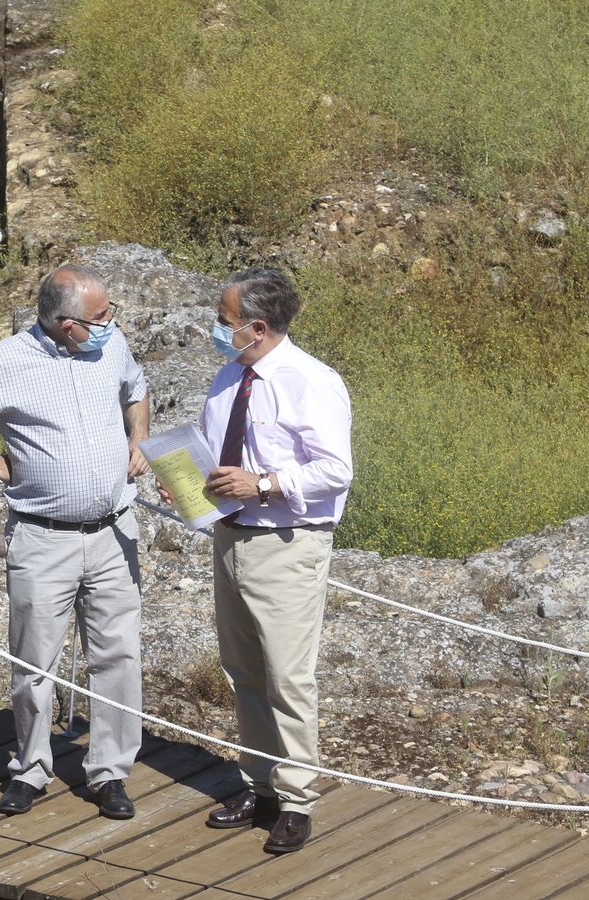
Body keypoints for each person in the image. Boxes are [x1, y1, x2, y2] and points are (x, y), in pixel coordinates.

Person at [0, 264, 151, 820]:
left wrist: (139, 439)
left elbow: (136, 387)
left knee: (118, 656)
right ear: (66, 323)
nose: (111, 322)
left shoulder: (111, 343)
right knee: (34, 663)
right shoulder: (4, 362)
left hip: (115, 532)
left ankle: (110, 773)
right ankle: (30, 769)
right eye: (100, 316)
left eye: (110, 312)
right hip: (43, 540)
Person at [160, 268, 351, 854]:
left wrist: (263, 483)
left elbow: (335, 470)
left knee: (288, 678)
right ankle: (259, 783)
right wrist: (184, 480)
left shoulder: (310, 382)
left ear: (257, 327)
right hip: (229, 538)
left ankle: (296, 800)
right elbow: (216, 446)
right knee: (242, 671)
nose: (216, 330)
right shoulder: (228, 375)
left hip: (287, 543)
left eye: (224, 322)